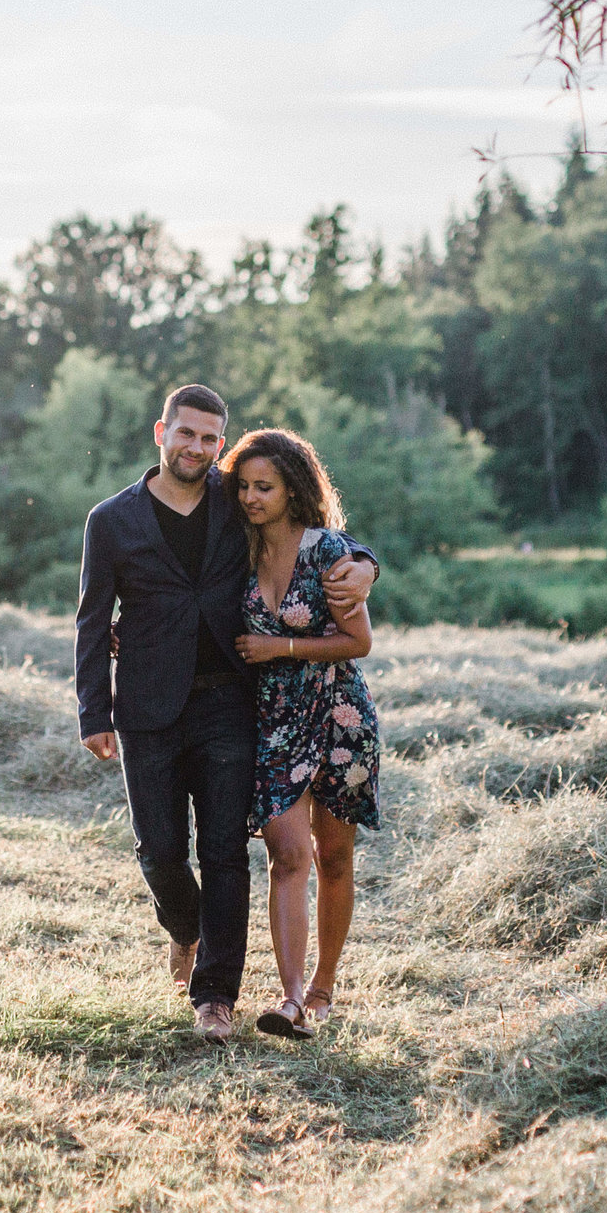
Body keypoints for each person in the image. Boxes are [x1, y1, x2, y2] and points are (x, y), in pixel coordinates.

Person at [74, 385, 378, 1043]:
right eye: (186, 434)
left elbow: (318, 529)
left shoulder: (236, 497)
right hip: (146, 707)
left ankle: (216, 997)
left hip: (230, 701)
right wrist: (91, 709)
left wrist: (366, 566)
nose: (198, 448)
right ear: (161, 430)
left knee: (226, 853)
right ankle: (184, 928)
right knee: (158, 851)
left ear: (221, 443)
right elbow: (93, 619)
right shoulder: (111, 520)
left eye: (211, 439)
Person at [224, 429, 381, 1041]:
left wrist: (280, 646)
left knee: (333, 856)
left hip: (340, 715)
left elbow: (359, 643)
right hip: (274, 722)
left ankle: (323, 989)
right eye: (243, 485)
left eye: (265, 486)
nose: (251, 497)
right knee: (285, 856)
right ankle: (289, 1002)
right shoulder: (236, 551)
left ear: (294, 489)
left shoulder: (328, 553)